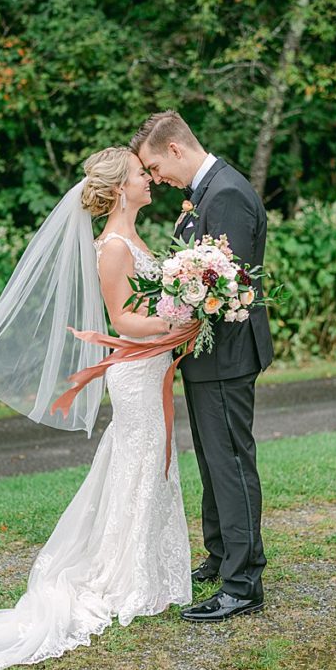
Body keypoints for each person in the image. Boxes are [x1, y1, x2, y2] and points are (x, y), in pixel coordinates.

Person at [0, 147, 191, 670]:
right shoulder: (112, 248)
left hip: (150, 368)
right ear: (120, 188)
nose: (150, 180)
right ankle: (121, 576)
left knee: (150, 461)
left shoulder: (135, 238)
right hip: (134, 370)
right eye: (140, 175)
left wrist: (179, 307)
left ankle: (147, 568)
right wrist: (180, 323)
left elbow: (146, 304)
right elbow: (124, 318)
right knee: (140, 458)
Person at [131, 111, 273, 622]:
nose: (154, 179)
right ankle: (221, 554)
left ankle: (243, 582)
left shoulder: (226, 193)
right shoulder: (206, 191)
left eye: (152, 167)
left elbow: (227, 282)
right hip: (205, 353)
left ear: (173, 149)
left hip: (227, 353)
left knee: (231, 461)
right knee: (214, 461)